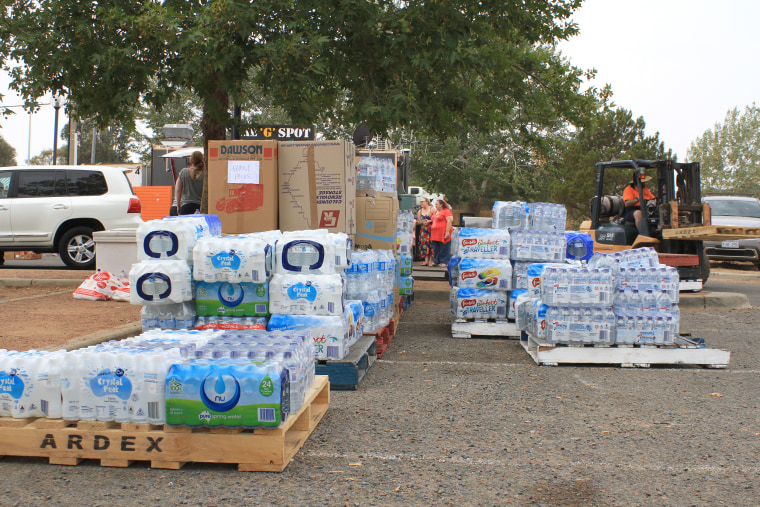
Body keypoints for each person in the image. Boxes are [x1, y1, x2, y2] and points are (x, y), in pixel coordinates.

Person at [175, 151, 205, 215]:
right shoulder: (205, 174)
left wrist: (178, 206)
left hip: (186, 206)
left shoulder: (183, 172)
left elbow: (178, 190)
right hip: (200, 207)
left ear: (191, 160)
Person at [430, 199, 454, 267]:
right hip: (435, 233)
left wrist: (447, 232)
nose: (435, 205)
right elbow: (434, 219)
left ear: (441, 205)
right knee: (435, 247)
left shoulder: (447, 211)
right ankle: (436, 261)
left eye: (437, 204)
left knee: (444, 247)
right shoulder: (436, 212)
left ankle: (444, 261)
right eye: (435, 204)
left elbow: (449, 221)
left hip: (443, 232)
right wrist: (429, 221)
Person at [416, 198, 436, 266]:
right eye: (420, 202)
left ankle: (431, 260)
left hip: (431, 229)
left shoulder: (432, 209)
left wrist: (429, 221)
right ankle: (426, 260)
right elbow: (418, 221)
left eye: (422, 201)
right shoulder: (420, 211)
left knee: (431, 244)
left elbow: (436, 218)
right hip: (424, 230)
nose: (421, 203)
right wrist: (422, 222)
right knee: (424, 244)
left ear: (427, 202)